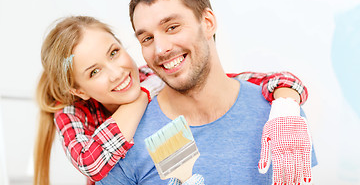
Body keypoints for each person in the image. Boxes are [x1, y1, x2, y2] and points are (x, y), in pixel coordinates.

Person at [98, 0, 317, 185]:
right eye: (147, 38)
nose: (160, 48)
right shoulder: (127, 139)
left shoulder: (280, 118)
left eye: (172, 27)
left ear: (208, 22)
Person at [34, 16, 308, 185]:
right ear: (79, 90)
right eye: (94, 72)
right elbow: (91, 163)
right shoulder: (71, 111)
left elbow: (247, 80)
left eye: (114, 52)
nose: (117, 72)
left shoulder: (149, 76)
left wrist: (285, 105)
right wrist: (139, 99)